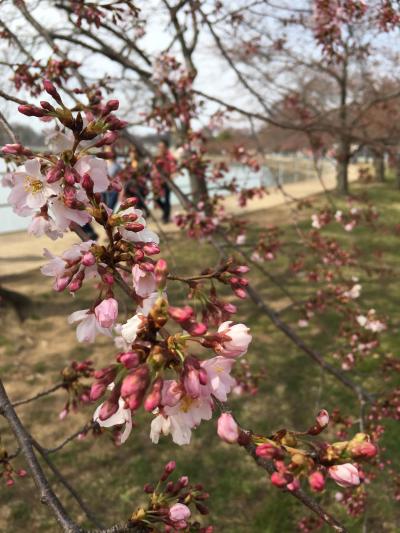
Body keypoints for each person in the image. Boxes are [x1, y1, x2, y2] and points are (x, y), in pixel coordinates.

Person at [154, 139, 177, 224]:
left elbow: (173, 167)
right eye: (159, 147)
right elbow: (154, 168)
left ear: (166, 147)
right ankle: (165, 212)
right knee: (156, 199)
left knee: (167, 199)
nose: (160, 148)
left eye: (162, 147)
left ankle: (165, 217)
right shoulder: (157, 156)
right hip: (158, 181)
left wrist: (170, 176)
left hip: (167, 181)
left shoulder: (169, 156)